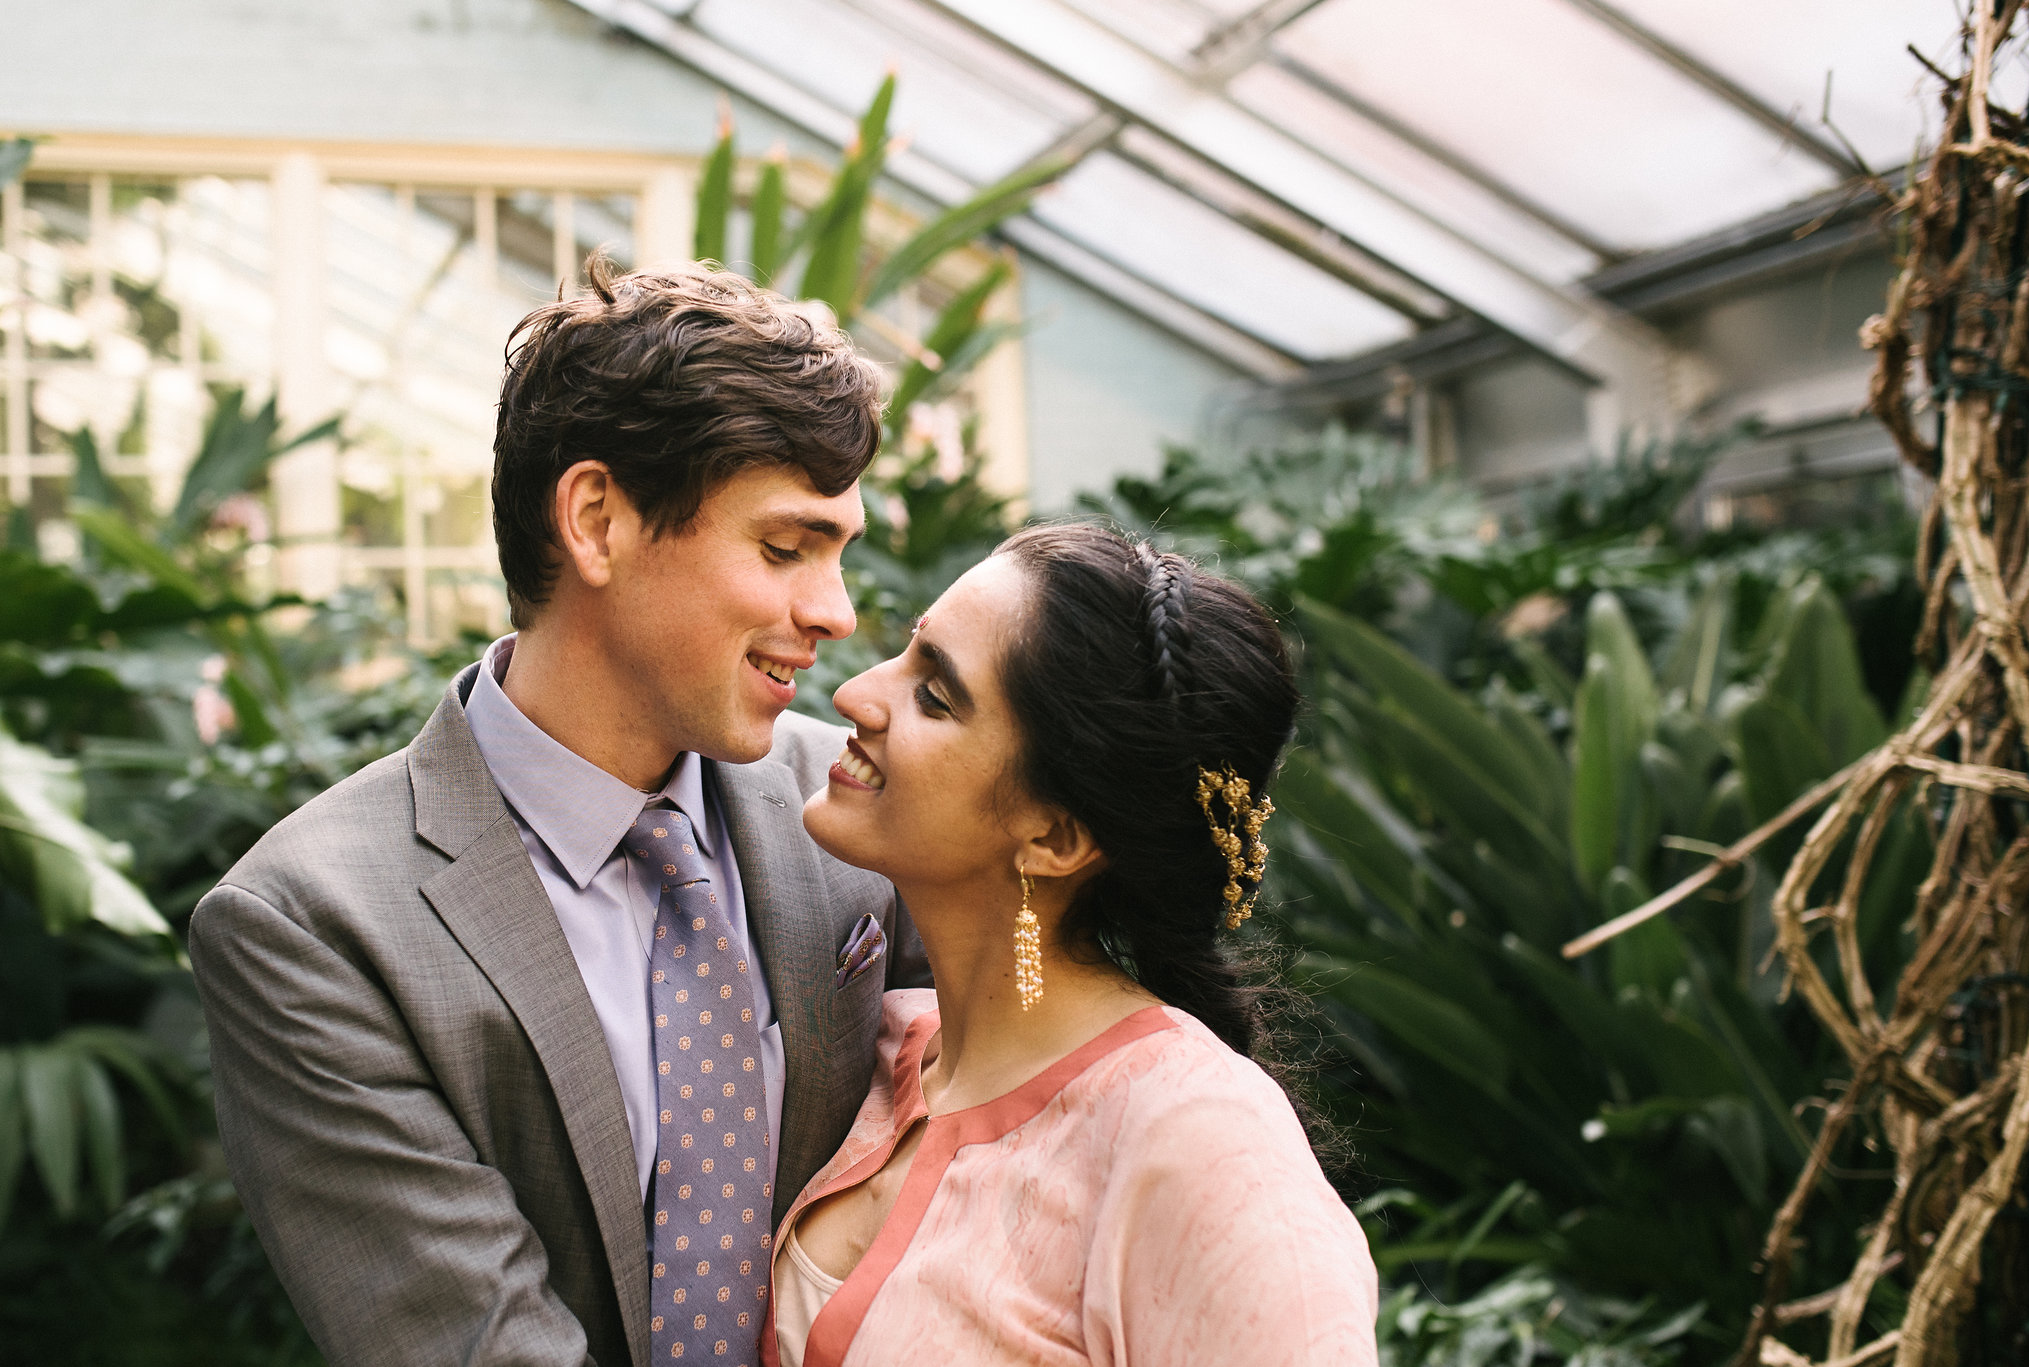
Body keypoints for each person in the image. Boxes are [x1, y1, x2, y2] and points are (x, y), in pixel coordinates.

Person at [188, 261, 929, 1367]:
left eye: (838, 552)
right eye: (783, 547)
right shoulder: (310, 925)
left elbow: (1049, 1083)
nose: (831, 610)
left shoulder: (873, 810)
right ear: (597, 520)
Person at [769, 524, 1379, 1366]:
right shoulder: (875, 1048)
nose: (857, 695)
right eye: (909, 651)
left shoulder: (1202, 1144)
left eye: (935, 696)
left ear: (1054, 836)